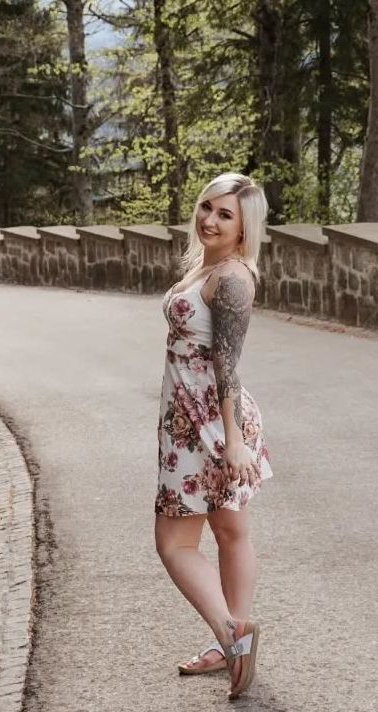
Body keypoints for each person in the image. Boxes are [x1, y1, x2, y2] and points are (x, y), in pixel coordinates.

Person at [155, 172, 274, 700]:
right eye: (207, 208)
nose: (210, 220)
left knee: (175, 542)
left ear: (245, 227)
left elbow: (228, 366)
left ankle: (230, 638)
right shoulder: (205, 267)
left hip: (206, 423)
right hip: (196, 416)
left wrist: (233, 440)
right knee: (230, 530)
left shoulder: (232, 279)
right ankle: (234, 645)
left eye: (226, 215)